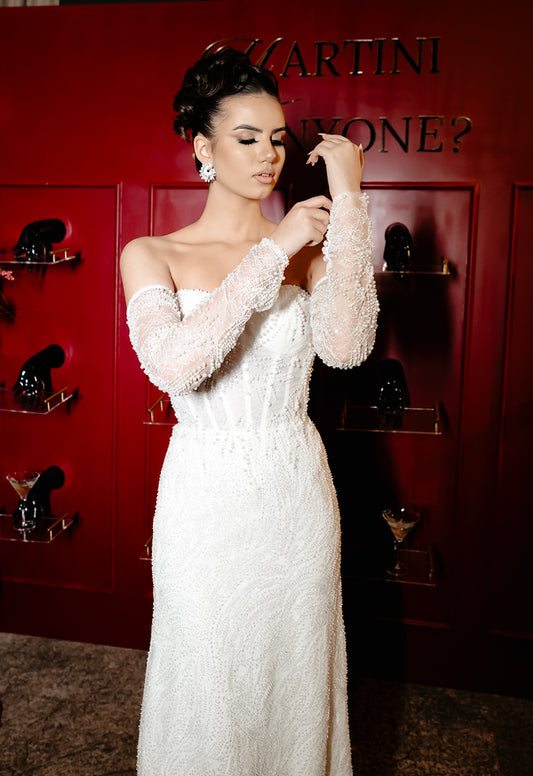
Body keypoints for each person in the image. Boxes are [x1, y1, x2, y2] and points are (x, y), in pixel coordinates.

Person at [121, 47, 379, 776]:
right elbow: (176, 366)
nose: (268, 155)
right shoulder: (151, 252)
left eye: (276, 139)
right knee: (209, 676)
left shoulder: (309, 246)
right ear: (203, 147)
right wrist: (275, 248)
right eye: (246, 138)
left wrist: (348, 201)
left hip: (295, 488)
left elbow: (347, 348)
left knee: (296, 673)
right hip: (205, 497)